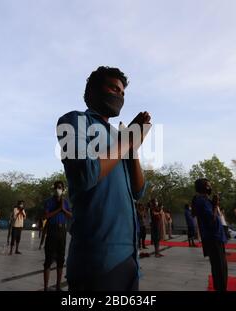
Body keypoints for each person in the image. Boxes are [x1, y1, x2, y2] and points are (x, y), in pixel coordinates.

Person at [57, 66, 149, 291]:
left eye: (123, 93)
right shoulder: (74, 121)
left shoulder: (119, 138)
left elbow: (139, 191)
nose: (119, 95)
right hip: (96, 260)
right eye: (113, 88)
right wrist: (127, 140)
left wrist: (132, 148)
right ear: (93, 91)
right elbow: (85, 174)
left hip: (129, 257)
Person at [193, 178, 228, 291]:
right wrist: (215, 205)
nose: (210, 187)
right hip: (213, 238)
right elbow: (211, 222)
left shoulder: (205, 200)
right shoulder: (201, 201)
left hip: (216, 237)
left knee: (221, 267)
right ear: (203, 187)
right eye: (208, 185)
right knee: (219, 269)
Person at [43, 181, 72, 291]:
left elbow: (70, 215)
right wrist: (58, 209)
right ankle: (46, 287)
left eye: (60, 187)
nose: (58, 189)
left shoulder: (65, 202)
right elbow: (46, 216)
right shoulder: (49, 202)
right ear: (53, 189)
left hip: (62, 230)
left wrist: (63, 209)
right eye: (56, 187)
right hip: (52, 229)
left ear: (63, 189)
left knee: (61, 259)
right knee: (48, 259)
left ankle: (58, 286)